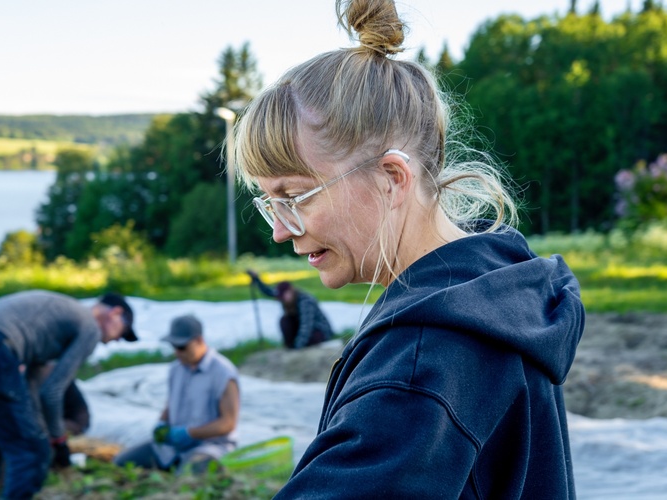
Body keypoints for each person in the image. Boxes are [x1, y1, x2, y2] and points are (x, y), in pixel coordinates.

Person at [230, 0, 585, 497]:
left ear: (391, 177)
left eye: (293, 197)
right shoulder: (498, 285)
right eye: (270, 205)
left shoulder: (419, 369)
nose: (280, 231)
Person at [0, 290, 137, 500]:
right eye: (123, 332)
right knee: (32, 452)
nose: (114, 342)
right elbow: (52, 392)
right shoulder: (89, 327)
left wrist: (39, 426)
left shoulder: (54, 319)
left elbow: (33, 385)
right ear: (115, 313)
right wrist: (57, 439)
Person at [113, 314, 240, 475]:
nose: (177, 352)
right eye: (174, 347)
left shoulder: (223, 373)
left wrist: (189, 433)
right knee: (121, 462)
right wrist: (162, 423)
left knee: (184, 478)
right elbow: (170, 405)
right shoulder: (176, 369)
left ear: (199, 341)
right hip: (173, 447)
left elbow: (228, 423)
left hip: (209, 447)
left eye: (182, 347)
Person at [246, 270, 334, 349]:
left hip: (318, 328)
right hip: (301, 326)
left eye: (283, 297)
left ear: (290, 291)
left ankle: (298, 347)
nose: (282, 300)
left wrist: (298, 346)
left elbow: (306, 325)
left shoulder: (305, 301)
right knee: (284, 321)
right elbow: (269, 292)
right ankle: (290, 347)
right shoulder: (286, 298)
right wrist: (257, 279)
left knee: (312, 339)